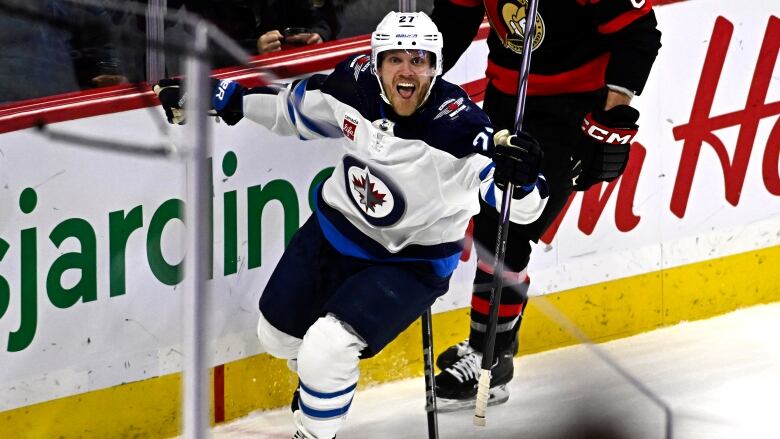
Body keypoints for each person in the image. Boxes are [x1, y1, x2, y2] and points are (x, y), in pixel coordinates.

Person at [156, 10, 548, 439]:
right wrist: (229, 100)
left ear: (435, 66)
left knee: (328, 346)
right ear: (376, 62)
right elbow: (294, 111)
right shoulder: (353, 85)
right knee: (276, 336)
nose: (406, 70)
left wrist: (525, 179)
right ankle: (321, 385)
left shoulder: (461, 132)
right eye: (395, 59)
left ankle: (314, 428)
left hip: (408, 264)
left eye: (418, 60)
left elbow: (521, 209)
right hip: (332, 234)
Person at [429, 0, 662, 409]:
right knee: (490, 223)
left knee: (511, 224)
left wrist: (610, 120)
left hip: (573, 106)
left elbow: (639, 34)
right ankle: (487, 342)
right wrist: (415, 72)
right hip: (506, 96)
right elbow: (455, 17)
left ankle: (492, 356)